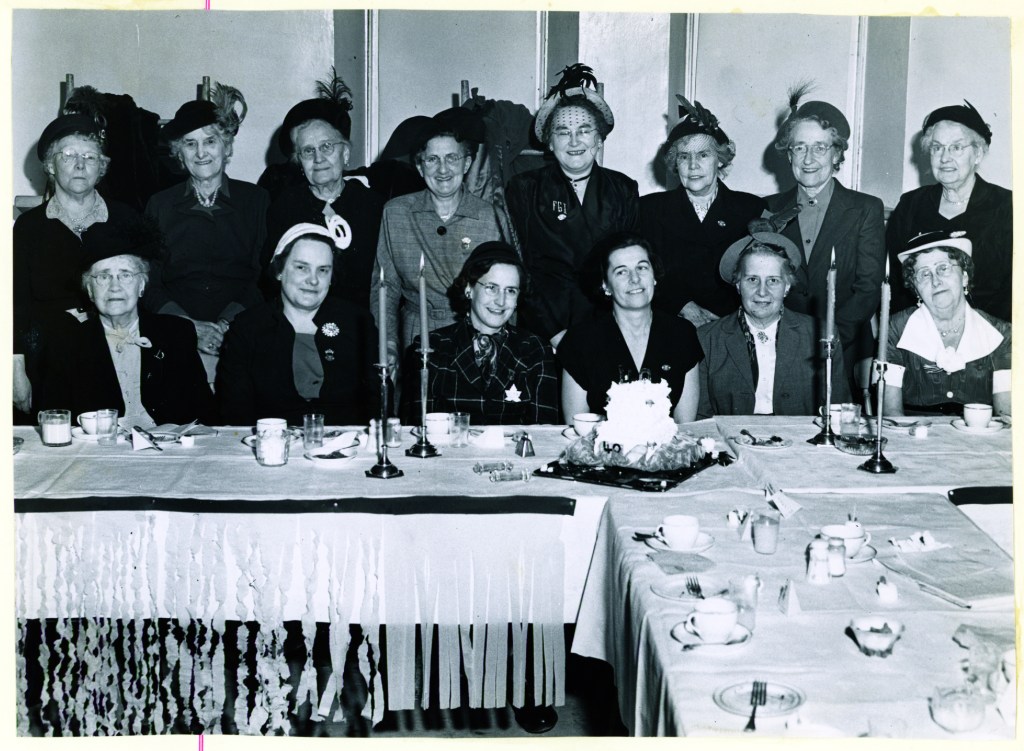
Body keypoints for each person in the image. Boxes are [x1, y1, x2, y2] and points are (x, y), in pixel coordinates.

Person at [13, 113, 140, 417]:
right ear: (50, 165)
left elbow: (145, 290)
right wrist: (16, 371)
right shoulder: (29, 227)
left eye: (90, 157)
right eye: (68, 156)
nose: (80, 165)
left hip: (116, 352)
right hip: (46, 360)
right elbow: (14, 303)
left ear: (102, 166)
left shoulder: (127, 219)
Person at [506, 64, 639, 348]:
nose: (575, 141)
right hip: (544, 326)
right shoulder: (524, 188)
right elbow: (518, 267)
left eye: (584, 130)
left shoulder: (624, 189)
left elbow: (629, 267)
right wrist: (554, 333)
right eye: (563, 132)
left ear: (599, 138)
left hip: (608, 324)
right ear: (549, 143)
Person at [35, 217, 216, 426]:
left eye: (126, 275)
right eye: (103, 276)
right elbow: (54, 419)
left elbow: (204, 412)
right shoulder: (66, 343)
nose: (115, 287)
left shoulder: (176, 333)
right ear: (90, 290)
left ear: (142, 285)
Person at [144, 83, 269, 377]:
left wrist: (227, 323)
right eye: (190, 143)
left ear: (226, 146)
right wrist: (188, 327)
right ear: (179, 152)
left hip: (243, 328)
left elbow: (264, 276)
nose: (201, 152)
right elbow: (148, 282)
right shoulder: (159, 205)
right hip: (174, 333)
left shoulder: (256, 201)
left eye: (210, 141)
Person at [371, 115, 513, 371]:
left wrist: (501, 349)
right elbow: (385, 287)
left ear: (467, 163)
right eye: (432, 160)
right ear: (419, 166)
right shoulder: (396, 213)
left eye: (452, 158)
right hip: (415, 334)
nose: (443, 169)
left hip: (477, 335)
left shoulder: (491, 217)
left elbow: (509, 291)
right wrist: (388, 342)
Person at [765, 87, 885, 382]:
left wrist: (829, 336)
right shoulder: (768, 210)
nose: (808, 159)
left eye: (820, 147)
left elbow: (868, 288)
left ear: (836, 154)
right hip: (780, 343)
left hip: (844, 345)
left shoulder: (865, 209)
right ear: (788, 153)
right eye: (799, 147)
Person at [217, 218, 378, 426]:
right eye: (302, 268)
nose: (313, 280)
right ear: (279, 270)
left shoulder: (356, 321)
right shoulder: (248, 326)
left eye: (323, 270)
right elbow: (235, 409)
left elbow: (377, 402)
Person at [696, 222, 848, 418]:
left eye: (773, 280)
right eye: (752, 279)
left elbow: (838, 411)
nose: (762, 291)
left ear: (786, 287)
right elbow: (699, 418)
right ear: (738, 284)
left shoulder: (820, 334)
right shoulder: (707, 338)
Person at [640, 96, 766, 327]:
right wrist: (681, 306)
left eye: (703, 155)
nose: (693, 165)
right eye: (684, 156)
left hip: (732, 329)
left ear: (720, 159)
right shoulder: (648, 210)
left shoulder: (751, 209)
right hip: (670, 326)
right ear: (674, 163)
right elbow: (641, 273)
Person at [402, 241, 558, 425]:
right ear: (469, 288)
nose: (501, 301)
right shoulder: (431, 347)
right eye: (491, 287)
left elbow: (546, 435)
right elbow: (418, 430)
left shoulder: (535, 350)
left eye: (510, 290)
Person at [264, 71, 384, 309]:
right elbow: (271, 280)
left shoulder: (374, 205)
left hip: (361, 324)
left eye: (326, 146)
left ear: (346, 153)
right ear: (299, 162)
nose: (318, 158)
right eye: (308, 151)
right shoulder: (284, 205)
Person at [886, 101, 1012, 321]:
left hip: (991, 334)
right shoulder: (911, 205)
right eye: (937, 148)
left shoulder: (1007, 207)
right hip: (919, 331)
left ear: (978, 154)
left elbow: (1013, 290)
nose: (945, 158)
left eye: (956, 147)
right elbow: (894, 282)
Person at [558, 232, 701, 423]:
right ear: (605, 285)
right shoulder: (580, 340)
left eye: (642, 267)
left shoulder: (682, 334)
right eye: (621, 271)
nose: (635, 279)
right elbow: (577, 429)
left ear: (654, 276)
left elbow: (686, 428)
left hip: (666, 451)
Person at [883, 230, 1010, 417]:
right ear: (915, 289)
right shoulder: (895, 329)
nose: (936, 281)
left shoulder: (1001, 334)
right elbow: (890, 414)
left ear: (964, 276)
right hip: (913, 436)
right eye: (924, 274)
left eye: (943, 268)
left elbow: (1006, 416)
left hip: (978, 438)